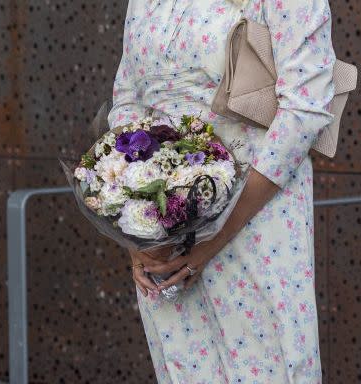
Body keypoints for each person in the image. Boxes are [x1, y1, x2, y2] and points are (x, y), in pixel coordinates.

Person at [108, 0, 336, 382]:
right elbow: (127, 101)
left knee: (266, 367)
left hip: (255, 210)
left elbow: (305, 108)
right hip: (164, 226)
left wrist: (214, 238)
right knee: (184, 367)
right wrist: (134, 225)